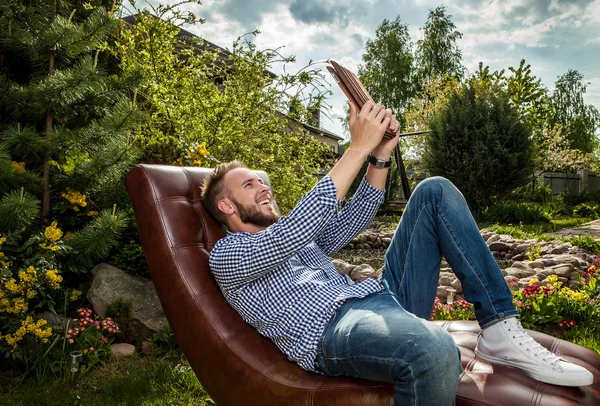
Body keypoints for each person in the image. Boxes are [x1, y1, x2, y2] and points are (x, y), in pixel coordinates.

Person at [201, 101, 593, 405]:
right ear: (227, 207)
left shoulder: (301, 242)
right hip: (332, 332)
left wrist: (380, 154)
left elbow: (355, 215)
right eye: (250, 185)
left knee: (433, 192)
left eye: (261, 181)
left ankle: (500, 327)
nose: (264, 187)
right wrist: (356, 147)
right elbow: (296, 227)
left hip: (383, 300)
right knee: (435, 351)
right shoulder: (230, 255)